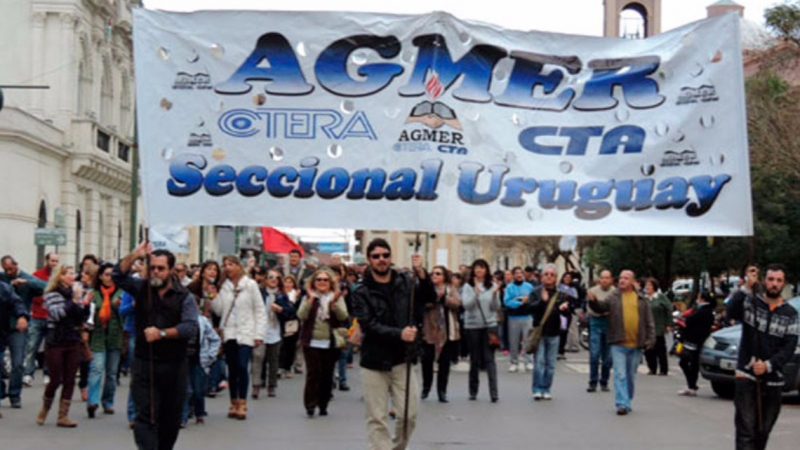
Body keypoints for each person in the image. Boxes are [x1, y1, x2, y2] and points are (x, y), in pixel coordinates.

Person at [113, 243, 199, 450]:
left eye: (161, 268)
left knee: (170, 419)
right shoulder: (142, 288)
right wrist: (135, 255)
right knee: (146, 415)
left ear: (170, 270)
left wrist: (162, 333)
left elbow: (190, 328)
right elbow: (118, 276)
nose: (156, 272)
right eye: (152, 268)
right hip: (145, 363)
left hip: (174, 365)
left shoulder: (183, 296)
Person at [351, 239, 434, 450]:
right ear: (369, 260)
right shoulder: (361, 292)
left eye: (385, 255)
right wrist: (400, 334)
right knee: (377, 418)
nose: (382, 260)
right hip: (374, 361)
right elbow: (368, 325)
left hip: (402, 359)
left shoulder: (405, 282)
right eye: (376, 256)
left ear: (390, 257)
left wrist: (422, 274)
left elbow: (429, 298)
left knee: (409, 415)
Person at [727, 264, 798, 450]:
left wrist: (769, 365)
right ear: (764, 280)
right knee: (746, 430)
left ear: (784, 284)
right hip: (747, 375)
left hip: (773, 380)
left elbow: (789, 347)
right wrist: (745, 288)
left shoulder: (790, 314)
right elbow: (731, 312)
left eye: (778, 280)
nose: (774, 284)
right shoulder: (751, 303)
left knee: (762, 431)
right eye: (771, 279)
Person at [209, 255, 267, 421]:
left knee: (242, 366)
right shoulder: (224, 286)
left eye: (231, 264)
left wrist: (259, 334)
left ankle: (242, 402)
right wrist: (213, 296)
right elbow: (219, 310)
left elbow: (259, 310)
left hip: (247, 331)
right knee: (232, 369)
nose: (228, 267)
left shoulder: (250, 285)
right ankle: (233, 401)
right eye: (225, 264)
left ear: (238, 266)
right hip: (229, 331)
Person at [593, 270, 655, 416]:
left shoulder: (641, 299)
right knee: (620, 374)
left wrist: (651, 339)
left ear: (632, 281)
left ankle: (628, 399)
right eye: (620, 278)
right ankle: (622, 403)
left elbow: (649, 321)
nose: (622, 280)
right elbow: (601, 308)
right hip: (618, 342)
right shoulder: (614, 297)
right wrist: (593, 301)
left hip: (636, 344)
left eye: (626, 278)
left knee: (630, 375)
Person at [37, 265, 88, 427]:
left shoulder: (76, 294)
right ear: (61, 276)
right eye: (70, 274)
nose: (73, 277)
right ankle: (45, 408)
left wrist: (84, 304)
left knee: (70, 378)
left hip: (72, 339)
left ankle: (63, 415)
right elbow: (58, 314)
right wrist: (73, 300)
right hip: (56, 339)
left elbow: (81, 317)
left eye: (74, 273)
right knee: (55, 378)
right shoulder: (52, 294)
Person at [297, 267, 349, 417]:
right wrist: (310, 301)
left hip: (330, 342)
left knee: (327, 375)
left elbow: (343, 316)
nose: (322, 282)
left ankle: (323, 404)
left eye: (325, 280)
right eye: (318, 279)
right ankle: (310, 404)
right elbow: (301, 314)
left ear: (330, 282)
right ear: (314, 282)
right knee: (313, 374)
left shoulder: (336, 297)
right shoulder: (308, 297)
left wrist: (334, 305)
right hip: (311, 341)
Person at [0, 255, 45, 409]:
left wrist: (27, 282)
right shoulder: (2, 279)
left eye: (10, 269)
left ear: (16, 265)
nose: (8, 272)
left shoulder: (26, 278)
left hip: (19, 326)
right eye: (5, 269)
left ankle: (14, 394)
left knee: (18, 363)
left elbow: (45, 286)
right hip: (2, 326)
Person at [528, 263, 573, 400]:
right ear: (541, 277)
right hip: (540, 331)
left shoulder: (560, 294)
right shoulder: (535, 291)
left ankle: (546, 388)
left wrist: (565, 309)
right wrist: (542, 302)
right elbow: (530, 308)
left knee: (551, 364)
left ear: (556, 278)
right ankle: (537, 389)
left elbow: (566, 314)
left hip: (554, 331)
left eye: (552, 275)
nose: (548, 277)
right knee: (539, 362)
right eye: (546, 274)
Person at [86, 263, 124, 418]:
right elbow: (86, 314)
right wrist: (86, 304)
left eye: (112, 275)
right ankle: (92, 401)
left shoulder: (121, 293)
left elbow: (125, 313)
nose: (109, 278)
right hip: (98, 336)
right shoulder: (93, 293)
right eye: (106, 274)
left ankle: (108, 401)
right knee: (96, 368)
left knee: (112, 373)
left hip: (115, 336)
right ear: (100, 276)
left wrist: (118, 307)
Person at [252, 269, 295, 399]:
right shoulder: (259, 293)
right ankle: (256, 385)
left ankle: (272, 386)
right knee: (258, 357)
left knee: (273, 360)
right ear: (265, 279)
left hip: (275, 331)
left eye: (276, 278)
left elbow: (290, 312)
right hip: (259, 331)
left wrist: (280, 309)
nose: (273, 280)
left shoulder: (281, 295)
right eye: (270, 277)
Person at [462, 259, 500, 403]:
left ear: (486, 270)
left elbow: (496, 307)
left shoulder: (492, 286)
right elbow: (466, 305)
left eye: (482, 268)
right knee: (475, 359)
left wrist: (496, 295)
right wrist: (476, 294)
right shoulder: (468, 287)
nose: (479, 270)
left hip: (489, 325)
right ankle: (473, 391)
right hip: (472, 326)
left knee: (490, 360)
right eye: (477, 268)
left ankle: (494, 392)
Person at [421, 266, 461, 403]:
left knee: (444, 363)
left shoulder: (451, 289)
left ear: (444, 276)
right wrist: (432, 299)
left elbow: (457, 303)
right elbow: (421, 304)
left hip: (447, 330)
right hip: (430, 329)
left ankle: (442, 391)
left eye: (438, 273)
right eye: (433, 273)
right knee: (427, 360)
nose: (434, 276)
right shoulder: (427, 288)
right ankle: (426, 388)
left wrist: (444, 298)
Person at [181, 299, 221, 427]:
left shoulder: (203, 321)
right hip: (182, 360)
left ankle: (199, 412)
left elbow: (215, 339)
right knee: (184, 390)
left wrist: (210, 356)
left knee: (198, 390)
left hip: (199, 360)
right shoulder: (179, 320)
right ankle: (183, 417)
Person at [25, 252, 59, 387]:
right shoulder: (37, 275)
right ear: (46, 261)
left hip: (51, 317)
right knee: (32, 345)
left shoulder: (58, 276)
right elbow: (32, 294)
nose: (54, 264)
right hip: (37, 316)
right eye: (52, 261)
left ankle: (47, 373)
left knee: (49, 347)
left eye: (56, 261)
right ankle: (28, 374)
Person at [677, 290, 716, 396]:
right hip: (697, 339)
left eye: (698, 297)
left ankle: (691, 385)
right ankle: (691, 385)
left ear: (702, 299)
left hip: (694, 341)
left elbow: (689, 321)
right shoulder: (708, 311)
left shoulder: (703, 311)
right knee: (692, 364)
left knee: (685, 362)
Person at [0, 281, 28, 419]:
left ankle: (14, 394)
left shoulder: (3, 288)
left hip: (7, 332)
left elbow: (17, 302)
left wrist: (21, 316)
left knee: (17, 363)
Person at [585, 270, 615, 393]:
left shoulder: (615, 293)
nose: (604, 280)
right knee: (594, 354)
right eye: (602, 278)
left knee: (607, 357)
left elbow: (615, 309)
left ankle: (604, 381)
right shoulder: (593, 291)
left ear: (611, 279)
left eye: (607, 278)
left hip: (609, 324)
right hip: (595, 323)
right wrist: (602, 312)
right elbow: (590, 309)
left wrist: (605, 312)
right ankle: (593, 382)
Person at [503, 267, 534, 373]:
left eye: (521, 273)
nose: (519, 275)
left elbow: (533, 300)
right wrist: (520, 302)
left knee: (528, 340)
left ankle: (529, 361)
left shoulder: (529, 286)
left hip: (527, 316)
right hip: (513, 317)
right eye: (516, 273)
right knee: (513, 341)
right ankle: (514, 362)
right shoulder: (509, 287)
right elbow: (507, 302)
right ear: (513, 275)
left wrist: (525, 301)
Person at [643, 278, 672, 376]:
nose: (648, 287)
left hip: (659, 326)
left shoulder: (661, 297)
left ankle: (663, 369)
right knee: (648, 349)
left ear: (654, 287)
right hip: (647, 328)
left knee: (660, 349)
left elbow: (669, 309)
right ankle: (652, 368)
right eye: (646, 285)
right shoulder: (644, 298)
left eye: (650, 285)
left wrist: (668, 323)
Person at [279, 275, 303, 378]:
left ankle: (288, 367)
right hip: (281, 322)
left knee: (291, 346)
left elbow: (299, 310)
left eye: (290, 282)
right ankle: (280, 367)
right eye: (286, 282)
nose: (288, 284)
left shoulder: (297, 296)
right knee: (281, 346)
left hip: (293, 323)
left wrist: (296, 300)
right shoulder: (279, 295)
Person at [557, 272, 579, 359]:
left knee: (564, 331)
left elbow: (576, 301)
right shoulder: (559, 287)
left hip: (568, 313)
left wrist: (569, 297)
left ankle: (561, 350)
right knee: (558, 331)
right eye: (566, 277)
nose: (567, 279)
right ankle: (557, 350)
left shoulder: (573, 289)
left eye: (569, 278)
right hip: (559, 312)